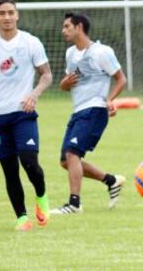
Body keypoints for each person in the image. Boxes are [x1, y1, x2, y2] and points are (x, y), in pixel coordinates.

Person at [0, 0, 53, 231]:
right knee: (9, 170)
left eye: (10, 12)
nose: (7, 17)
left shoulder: (31, 42)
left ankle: (41, 196)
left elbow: (47, 75)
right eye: (2, 13)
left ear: (17, 15)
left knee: (29, 162)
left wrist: (35, 94)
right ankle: (22, 218)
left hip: (23, 113)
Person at [50, 12, 127, 214]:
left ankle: (74, 204)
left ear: (79, 27)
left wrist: (109, 100)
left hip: (95, 110)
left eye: (67, 26)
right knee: (66, 161)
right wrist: (63, 84)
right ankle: (111, 181)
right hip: (78, 111)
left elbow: (121, 79)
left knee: (73, 153)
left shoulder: (102, 52)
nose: (63, 30)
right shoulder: (70, 54)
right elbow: (67, 85)